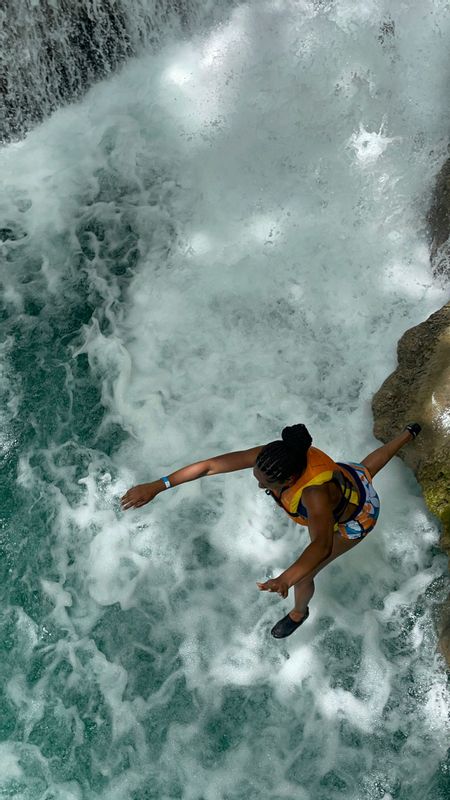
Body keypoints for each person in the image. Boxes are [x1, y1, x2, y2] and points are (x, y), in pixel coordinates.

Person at [121, 422, 421, 638]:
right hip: (351, 478)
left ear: (290, 479)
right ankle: (408, 433)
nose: (260, 485)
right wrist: (158, 486)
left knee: (307, 573)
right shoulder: (277, 455)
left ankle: (299, 613)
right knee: (366, 470)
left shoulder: (314, 495)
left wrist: (286, 578)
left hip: (357, 517)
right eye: (259, 478)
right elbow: (211, 465)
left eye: (266, 485)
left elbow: (321, 546)